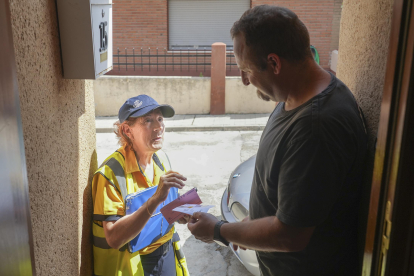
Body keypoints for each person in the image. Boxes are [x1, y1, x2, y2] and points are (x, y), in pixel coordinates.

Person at [187, 5, 367, 276]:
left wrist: (219, 230)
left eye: (245, 69)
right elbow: (287, 196)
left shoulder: (316, 127)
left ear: (274, 63)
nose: (244, 80)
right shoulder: (293, 98)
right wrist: (247, 229)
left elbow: (290, 235)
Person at [92, 94, 190, 276]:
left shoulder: (161, 159)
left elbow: (162, 212)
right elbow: (113, 238)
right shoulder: (109, 174)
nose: (158, 126)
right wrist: (154, 200)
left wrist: (179, 214)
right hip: (135, 263)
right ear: (127, 131)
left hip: (166, 254)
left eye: (160, 119)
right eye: (147, 120)